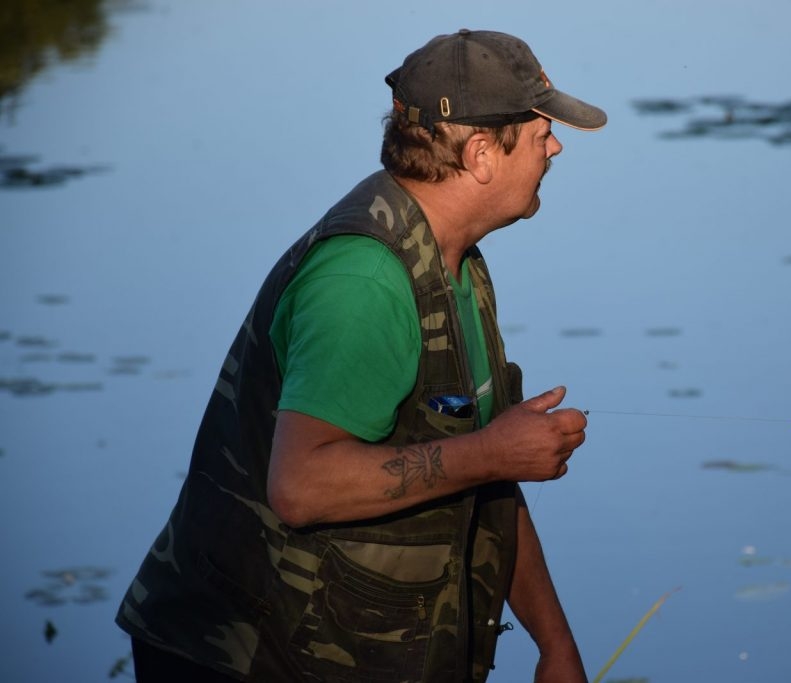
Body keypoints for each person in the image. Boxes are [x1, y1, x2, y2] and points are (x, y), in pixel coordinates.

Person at [115, 28, 606, 683]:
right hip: (246, 660)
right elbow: (301, 486)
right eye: (541, 128)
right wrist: (491, 451)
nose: (556, 144)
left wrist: (555, 644)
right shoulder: (364, 281)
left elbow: (487, 470)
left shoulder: (458, 259)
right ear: (483, 152)